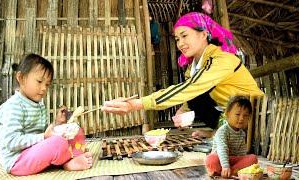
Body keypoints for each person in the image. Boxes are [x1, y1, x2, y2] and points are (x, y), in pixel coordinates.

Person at [101, 12, 263, 138]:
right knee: (195, 98)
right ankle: (219, 134)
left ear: (203, 34)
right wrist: (183, 109)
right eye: (177, 39)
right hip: (232, 119)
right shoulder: (192, 68)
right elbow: (192, 94)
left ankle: (228, 136)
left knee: (193, 90)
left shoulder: (222, 59)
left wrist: (136, 104)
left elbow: (191, 87)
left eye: (185, 36)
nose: (180, 44)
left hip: (256, 119)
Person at [0, 54, 92, 176]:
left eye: (47, 84)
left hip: (36, 152)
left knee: (74, 131)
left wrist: (57, 124)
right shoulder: (13, 107)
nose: (44, 88)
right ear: (21, 77)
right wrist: (44, 137)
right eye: (39, 81)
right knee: (58, 143)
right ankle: (67, 162)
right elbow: (12, 142)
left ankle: (68, 155)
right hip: (18, 161)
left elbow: (43, 133)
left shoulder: (38, 104)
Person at [204, 96, 258, 178]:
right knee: (210, 159)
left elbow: (242, 154)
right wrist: (225, 166)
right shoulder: (222, 131)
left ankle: (227, 173)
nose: (241, 118)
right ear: (227, 114)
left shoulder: (242, 134)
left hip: (233, 162)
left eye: (245, 115)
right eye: (237, 114)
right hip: (220, 160)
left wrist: (243, 163)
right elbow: (222, 148)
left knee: (253, 158)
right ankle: (229, 172)